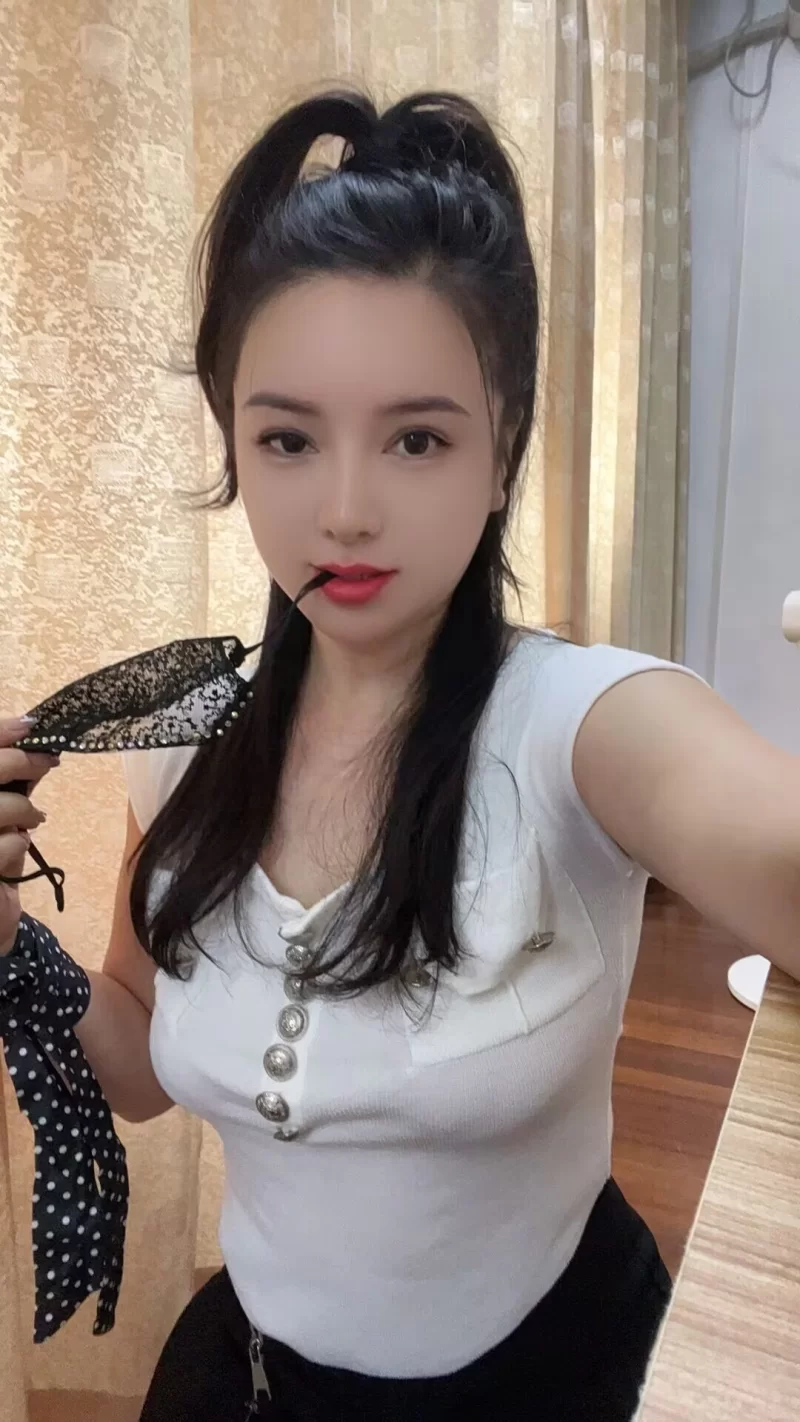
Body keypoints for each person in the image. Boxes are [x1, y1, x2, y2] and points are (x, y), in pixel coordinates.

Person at [1, 88, 799, 1422]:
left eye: (417, 438)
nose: (346, 509)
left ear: (503, 444)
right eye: (288, 438)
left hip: (549, 1382)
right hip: (254, 1382)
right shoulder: (187, 744)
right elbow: (133, 1068)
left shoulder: (585, 725)